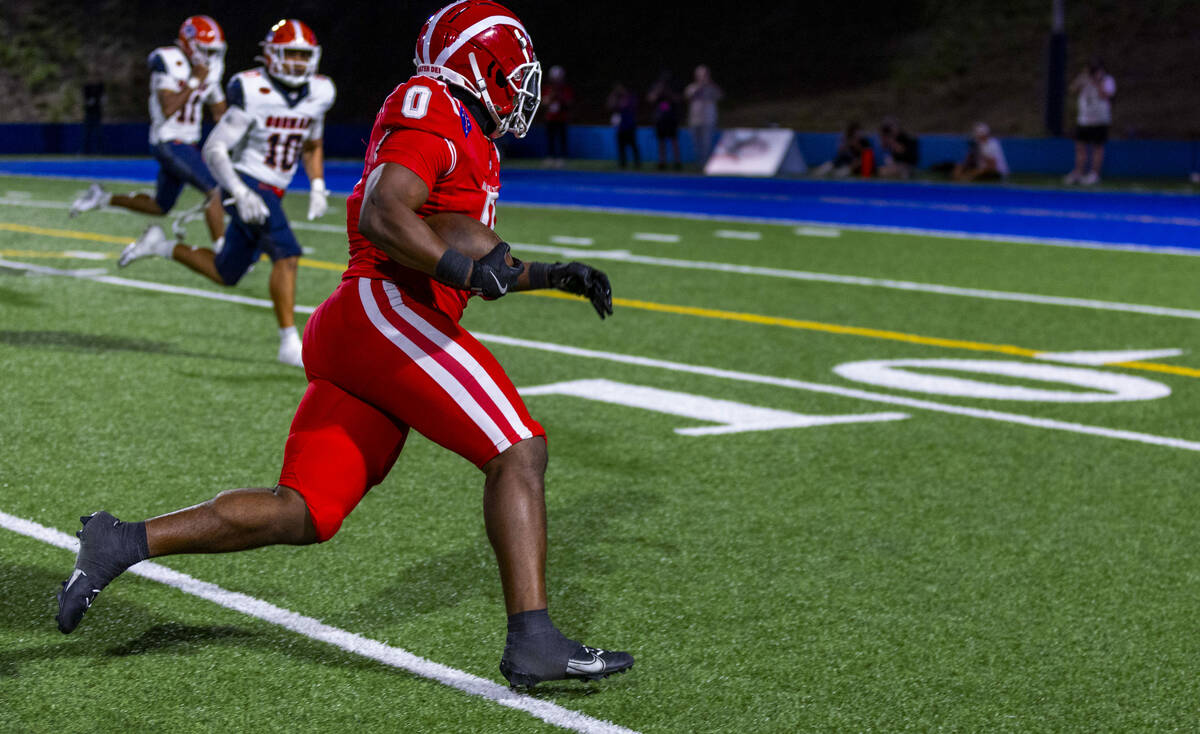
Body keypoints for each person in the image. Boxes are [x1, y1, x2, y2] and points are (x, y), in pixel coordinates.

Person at [55, 0, 633, 692]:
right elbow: (384, 211)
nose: (523, 89)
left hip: (366, 326)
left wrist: (550, 276)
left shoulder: (469, 139)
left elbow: (466, 249)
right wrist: (461, 270)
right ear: (478, 64)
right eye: (513, 72)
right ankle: (533, 639)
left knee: (306, 510)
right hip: (383, 309)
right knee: (517, 448)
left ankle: (120, 540)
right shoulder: (433, 101)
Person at [114, 19, 335, 368]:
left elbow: (312, 143)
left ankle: (160, 245)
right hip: (246, 180)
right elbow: (215, 149)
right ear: (272, 55)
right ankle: (289, 343)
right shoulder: (251, 89)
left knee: (225, 273)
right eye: (289, 54)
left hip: (273, 188)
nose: (295, 62)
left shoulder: (320, 92)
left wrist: (318, 185)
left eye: (301, 55)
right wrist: (238, 192)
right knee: (287, 254)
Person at [70, 16, 228, 247]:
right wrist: (194, 82)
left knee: (160, 206)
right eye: (205, 50)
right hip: (168, 140)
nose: (210, 57)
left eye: (213, 51)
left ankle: (103, 198)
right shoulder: (168, 61)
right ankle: (224, 254)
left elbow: (220, 113)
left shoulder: (208, 72)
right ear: (188, 44)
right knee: (215, 191)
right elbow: (168, 108)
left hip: (187, 143)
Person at [1063, 58, 1116, 185]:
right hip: (1084, 119)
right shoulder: (1084, 79)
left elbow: (1106, 95)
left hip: (1100, 119)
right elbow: (1072, 90)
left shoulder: (1107, 80)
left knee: (1097, 148)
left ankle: (1094, 174)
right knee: (1080, 147)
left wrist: (1097, 81)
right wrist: (1082, 78)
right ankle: (1078, 172)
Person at [684, 64, 723, 167]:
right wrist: (700, 86)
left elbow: (719, 96)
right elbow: (689, 96)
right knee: (696, 143)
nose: (702, 76)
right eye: (700, 74)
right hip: (695, 119)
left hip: (708, 119)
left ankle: (706, 164)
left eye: (704, 74)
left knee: (706, 142)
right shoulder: (692, 87)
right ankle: (699, 163)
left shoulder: (712, 87)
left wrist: (710, 84)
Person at [540, 65, 574, 168]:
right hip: (550, 118)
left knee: (562, 139)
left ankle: (562, 158)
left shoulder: (565, 89)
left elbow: (569, 102)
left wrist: (560, 96)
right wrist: (551, 96)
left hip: (562, 118)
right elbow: (543, 102)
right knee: (550, 139)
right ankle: (550, 157)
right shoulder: (547, 89)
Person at [647, 71, 681, 170]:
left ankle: (677, 162)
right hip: (660, 118)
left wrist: (668, 92)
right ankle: (662, 162)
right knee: (661, 141)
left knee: (674, 140)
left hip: (672, 117)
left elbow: (678, 99)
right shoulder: (656, 86)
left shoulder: (674, 86)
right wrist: (658, 90)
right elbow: (650, 99)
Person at [607, 82, 640, 169]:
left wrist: (622, 96)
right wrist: (613, 94)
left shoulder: (630, 96)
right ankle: (622, 163)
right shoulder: (616, 97)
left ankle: (637, 163)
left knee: (633, 145)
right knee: (621, 146)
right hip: (620, 126)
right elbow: (610, 105)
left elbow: (624, 105)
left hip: (629, 125)